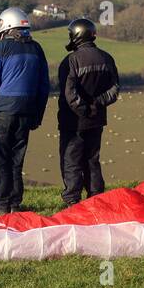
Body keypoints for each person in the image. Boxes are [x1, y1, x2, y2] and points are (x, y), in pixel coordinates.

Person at [0, 7, 49, 215]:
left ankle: (1, 204)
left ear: (7, 24)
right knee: (17, 160)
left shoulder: (1, 48)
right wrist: (37, 115)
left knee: (0, 159)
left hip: (3, 112)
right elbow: (44, 86)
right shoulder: (37, 49)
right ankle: (15, 204)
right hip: (27, 112)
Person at [57, 18, 119, 206]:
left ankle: (72, 200)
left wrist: (83, 109)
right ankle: (96, 199)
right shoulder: (107, 58)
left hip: (73, 121)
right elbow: (114, 89)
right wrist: (96, 105)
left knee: (71, 161)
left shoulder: (70, 61)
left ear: (77, 35)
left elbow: (69, 92)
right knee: (93, 159)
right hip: (97, 119)